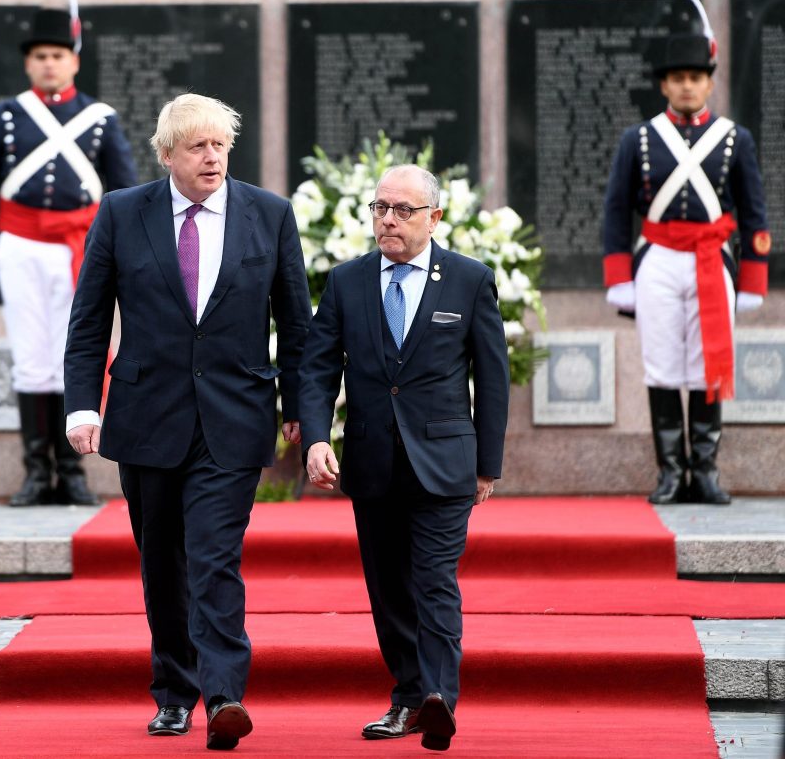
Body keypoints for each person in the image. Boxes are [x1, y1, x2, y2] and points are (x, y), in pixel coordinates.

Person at [63, 93, 312, 750]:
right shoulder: (122, 214)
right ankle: (175, 689)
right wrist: (83, 404)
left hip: (234, 419)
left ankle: (224, 693)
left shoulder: (269, 215)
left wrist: (302, 413)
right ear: (168, 152)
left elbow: (297, 327)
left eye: (220, 146)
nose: (212, 157)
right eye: (198, 146)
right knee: (162, 565)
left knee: (213, 557)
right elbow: (89, 320)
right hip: (147, 417)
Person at [298, 164, 510, 752]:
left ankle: (438, 698)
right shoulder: (346, 281)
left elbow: (492, 379)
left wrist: (487, 464)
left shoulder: (469, 280)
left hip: (444, 462)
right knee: (388, 588)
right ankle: (408, 696)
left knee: (434, 580)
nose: (388, 220)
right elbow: (317, 368)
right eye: (380, 208)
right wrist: (317, 437)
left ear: (434, 218)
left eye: (403, 210)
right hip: (370, 463)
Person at [0, 8, 137, 507]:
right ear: (28, 64)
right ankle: (37, 472)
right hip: (19, 246)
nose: (48, 64)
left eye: (57, 55)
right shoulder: (6, 115)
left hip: (79, 250)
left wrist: (126, 260)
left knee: (75, 354)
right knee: (31, 358)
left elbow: (124, 193)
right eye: (39, 56)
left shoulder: (99, 118)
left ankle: (71, 470)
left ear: (73, 62)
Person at [602, 18, 770, 506]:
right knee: (661, 365)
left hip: (712, 261)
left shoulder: (734, 138)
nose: (687, 85)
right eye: (677, 78)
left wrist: (754, 281)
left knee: (706, 367)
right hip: (657, 260)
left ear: (709, 83)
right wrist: (619, 278)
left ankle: (707, 470)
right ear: (664, 85)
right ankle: (671, 473)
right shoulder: (639, 139)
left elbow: (754, 210)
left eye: (696, 78)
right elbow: (616, 209)